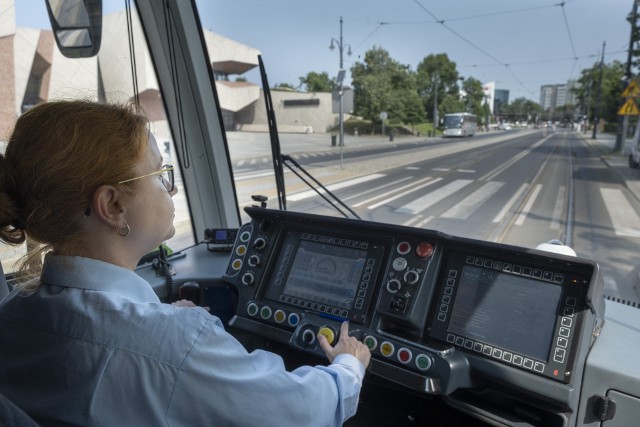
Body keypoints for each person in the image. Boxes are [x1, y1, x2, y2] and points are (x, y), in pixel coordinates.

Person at [0, 100, 371, 426]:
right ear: (113, 205)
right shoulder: (177, 342)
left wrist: (158, 319)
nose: (172, 188)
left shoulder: (10, 314)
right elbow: (304, 412)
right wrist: (349, 365)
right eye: (160, 175)